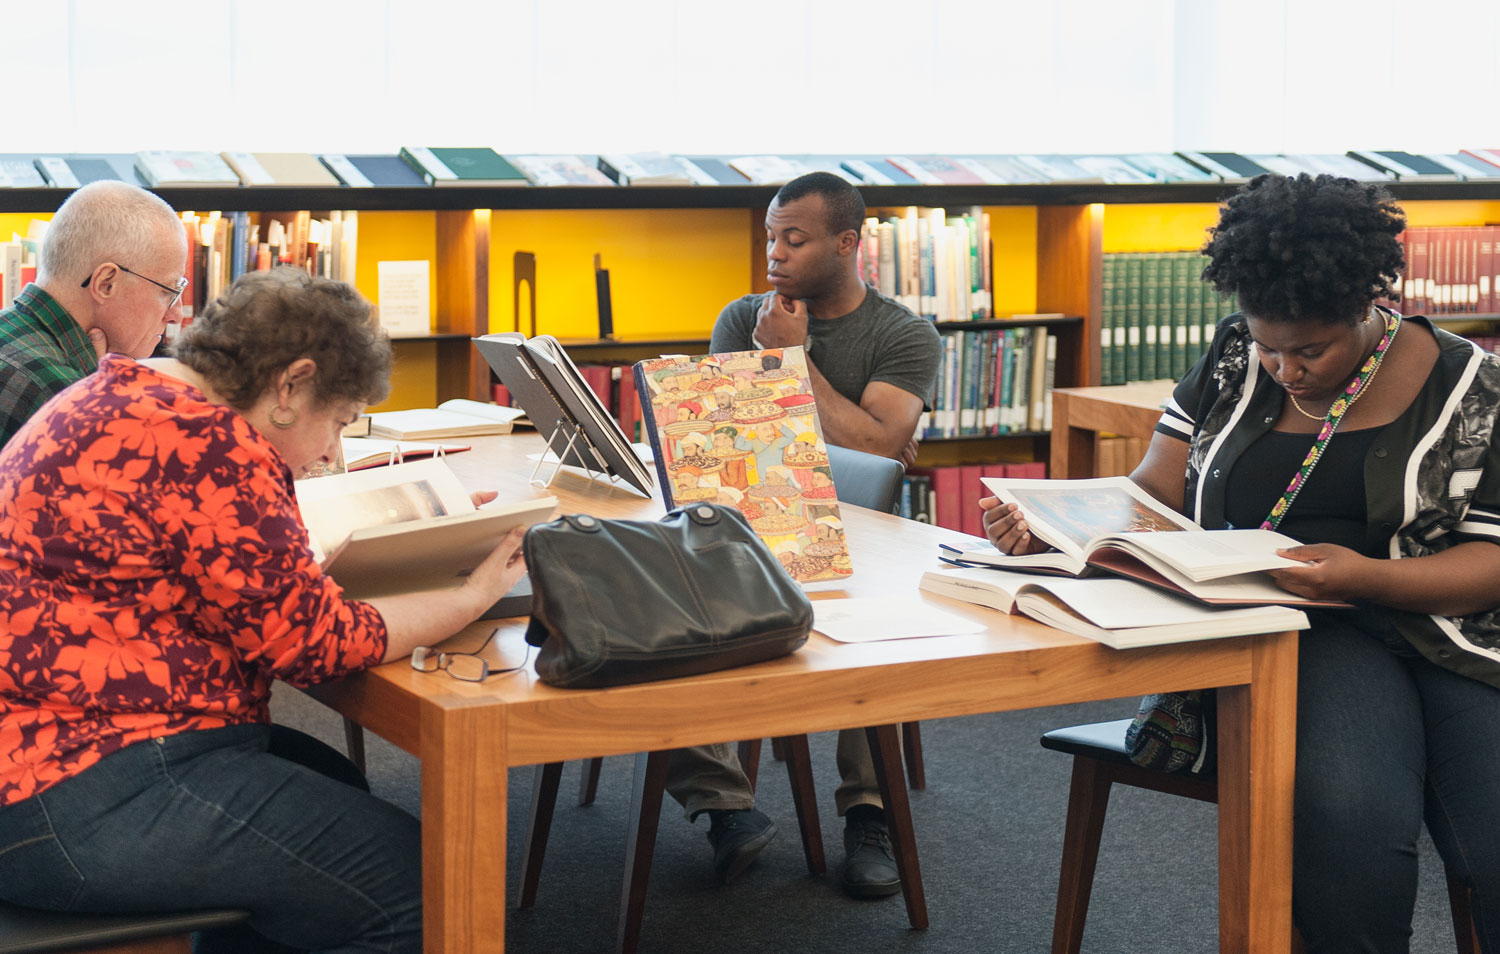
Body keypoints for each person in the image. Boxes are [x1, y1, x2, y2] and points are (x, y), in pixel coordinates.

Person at [983, 173, 1500, 953]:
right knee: (1353, 820)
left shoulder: (1471, 386)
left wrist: (1362, 576)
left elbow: (1491, 562)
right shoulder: (1232, 357)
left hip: (1450, 632)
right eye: (1270, 346)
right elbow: (1151, 492)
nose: (1285, 369)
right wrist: (1058, 532)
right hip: (1296, 629)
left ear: (1366, 305)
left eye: (1310, 350)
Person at [0, 268, 533, 954]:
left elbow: (226, 573)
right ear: (290, 386)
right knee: (424, 886)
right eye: (337, 423)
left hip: (48, 758)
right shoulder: (210, 447)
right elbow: (320, 644)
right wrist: (471, 594)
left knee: (334, 785)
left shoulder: (126, 397)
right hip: (74, 792)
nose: (329, 456)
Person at [673, 172, 941, 898]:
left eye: (795, 238)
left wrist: (789, 366)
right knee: (659, 605)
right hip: (752, 527)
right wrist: (848, 432)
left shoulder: (904, 335)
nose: (775, 254)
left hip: (868, 540)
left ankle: (867, 813)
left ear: (847, 243)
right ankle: (726, 807)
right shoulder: (742, 319)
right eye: (770, 237)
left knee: (883, 619)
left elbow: (879, 454)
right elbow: (735, 448)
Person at [0, 179, 187, 447]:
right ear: (105, 283)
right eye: (168, 291)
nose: (176, 314)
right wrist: (108, 406)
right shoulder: (66, 400)